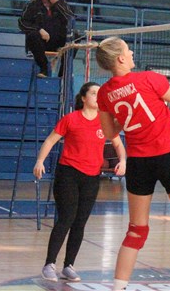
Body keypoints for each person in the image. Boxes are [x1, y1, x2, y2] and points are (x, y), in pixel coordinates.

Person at [94, 37, 170, 291]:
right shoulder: (150, 78)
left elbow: (109, 133)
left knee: (136, 231)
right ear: (120, 58)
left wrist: (126, 116)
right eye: (128, 50)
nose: (132, 53)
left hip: (139, 163)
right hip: (169, 157)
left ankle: (118, 288)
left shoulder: (105, 93)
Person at [34, 82, 126, 283]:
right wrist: (40, 161)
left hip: (92, 177)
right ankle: (49, 264)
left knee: (80, 222)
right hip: (68, 174)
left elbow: (119, 144)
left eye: (100, 94)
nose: (98, 97)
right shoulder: (71, 119)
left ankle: (68, 266)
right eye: (94, 93)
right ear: (83, 98)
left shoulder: (105, 122)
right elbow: (50, 140)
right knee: (66, 218)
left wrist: (123, 161)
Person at [18, 0, 74, 78]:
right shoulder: (33, 4)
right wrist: (39, 30)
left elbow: (71, 20)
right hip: (40, 42)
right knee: (32, 35)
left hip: (58, 41)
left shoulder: (62, 3)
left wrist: (57, 4)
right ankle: (44, 68)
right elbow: (22, 23)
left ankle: (62, 74)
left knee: (76, 36)